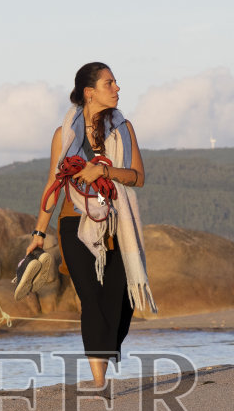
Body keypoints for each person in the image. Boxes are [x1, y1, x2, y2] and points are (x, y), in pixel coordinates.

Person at [26, 62, 156, 389]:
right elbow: (52, 186)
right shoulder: (64, 134)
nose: (117, 88)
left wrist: (104, 171)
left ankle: (103, 356)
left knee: (121, 303)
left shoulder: (123, 129)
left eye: (115, 82)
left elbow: (138, 177)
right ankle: (99, 382)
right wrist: (39, 233)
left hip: (116, 224)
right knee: (92, 300)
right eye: (109, 83)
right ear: (89, 92)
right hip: (74, 223)